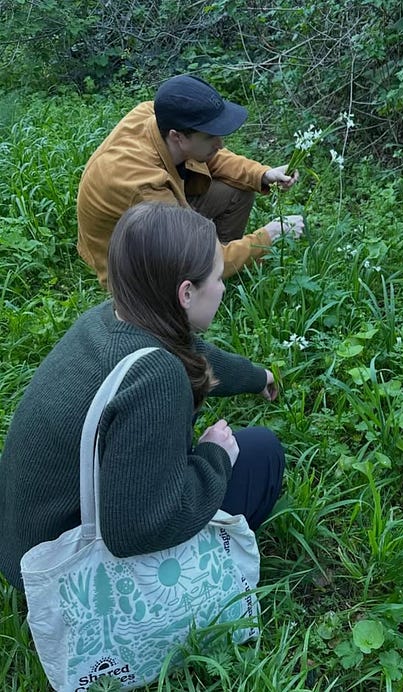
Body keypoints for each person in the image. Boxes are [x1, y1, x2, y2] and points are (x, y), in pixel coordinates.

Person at [0, 203, 285, 591]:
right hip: (63, 575)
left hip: (24, 544)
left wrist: (257, 377)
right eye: (218, 277)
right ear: (186, 293)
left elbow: (194, 351)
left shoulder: (109, 318)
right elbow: (136, 531)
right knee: (262, 453)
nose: (222, 286)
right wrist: (214, 458)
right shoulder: (157, 378)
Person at [77, 73, 304, 286]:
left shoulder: (155, 116)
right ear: (177, 137)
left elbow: (211, 156)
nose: (220, 143)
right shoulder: (141, 184)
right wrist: (270, 236)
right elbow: (194, 254)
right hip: (128, 263)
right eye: (210, 136)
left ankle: (218, 269)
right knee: (199, 262)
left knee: (237, 191)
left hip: (155, 218)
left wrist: (262, 174)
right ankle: (207, 274)